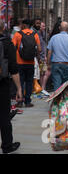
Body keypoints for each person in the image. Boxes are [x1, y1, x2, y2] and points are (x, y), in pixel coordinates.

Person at [0, 20, 22, 153]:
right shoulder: (7, 43)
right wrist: (19, 88)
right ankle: (7, 145)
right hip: (2, 84)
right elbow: (13, 69)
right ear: (3, 28)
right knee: (4, 116)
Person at [12, 19, 41, 108]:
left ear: (24, 25)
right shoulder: (35, 34)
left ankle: (20, 101)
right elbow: (39, 49)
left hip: (19, 62)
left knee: (20, 82)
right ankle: (28, 101)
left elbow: (12, 47)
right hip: (30, 62)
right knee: (29, 82)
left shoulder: (18, 34)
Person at [47, 22, 68, 91]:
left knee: (56, 85)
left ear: (59, 28)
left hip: (56, 64)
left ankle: (56, 100)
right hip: (66, 64)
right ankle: (63, 100)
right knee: (65, 86)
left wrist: (48, 64)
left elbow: (49, 52)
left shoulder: (53, 37)